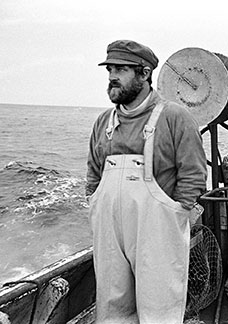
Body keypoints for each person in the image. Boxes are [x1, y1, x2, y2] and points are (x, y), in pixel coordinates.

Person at [86, 40, 207, 324]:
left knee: (159, 308)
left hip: (157, 231)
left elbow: (194, 173)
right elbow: (93, 173)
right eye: (110, 69)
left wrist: (177, 211)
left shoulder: (175, 117)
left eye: (122, 70)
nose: (112, 76)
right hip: (109, 231)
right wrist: (94, 201)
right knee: (112, 306)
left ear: (144, 74)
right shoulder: (104, 123)